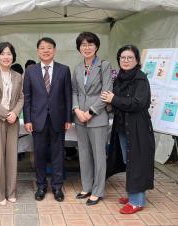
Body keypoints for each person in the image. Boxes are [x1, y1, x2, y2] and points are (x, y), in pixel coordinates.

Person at [101, 45, 155, 214]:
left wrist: (114, 99)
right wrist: (110, 102)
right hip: (123, 127)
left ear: (137, 60)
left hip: (137, 127)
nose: (125, 60)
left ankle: (137, 201)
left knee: (136, 162)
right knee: (128, 161)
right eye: (122, 57)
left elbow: (139, 103)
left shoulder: (140, 79)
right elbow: (117, 101)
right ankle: (133, 194)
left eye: (130, 57)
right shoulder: (120, 78)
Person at [23, 37, 72, 202]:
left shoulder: (64, 70)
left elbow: (68, 96)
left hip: (58, 119)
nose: (46, 50)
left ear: (54, 50)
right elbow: (27, 97)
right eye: (42, 48)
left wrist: (68, 118)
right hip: (38, 120)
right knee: (39, 154)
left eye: (49, 48)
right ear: (38, 51)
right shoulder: (30, 71)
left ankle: (58, 187)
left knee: (58, 154)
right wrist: (28, 119)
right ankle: (41, 186)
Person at [72, 32, 113, 205]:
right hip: (80, 117)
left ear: (96, 47)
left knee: (98, 155)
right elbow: (74, 91)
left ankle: (98, 190)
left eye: (90, 44)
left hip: (97, 117)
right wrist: (76, 109)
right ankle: (87, 186)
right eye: (83, 45)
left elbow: (107, 91)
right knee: (83, 154)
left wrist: (90, 111)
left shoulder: (104, 65)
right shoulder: (77, 68)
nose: (86, 48)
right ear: (79, 48)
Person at [0, 42, 24, 205]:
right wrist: (6, 114)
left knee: (12, 157)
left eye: (9, 53)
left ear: (13, 56)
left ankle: (11, 191)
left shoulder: (18, 76)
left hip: (13, 120)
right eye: (3, 54)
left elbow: (21, 97)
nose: (6, 57)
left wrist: (15, 113)